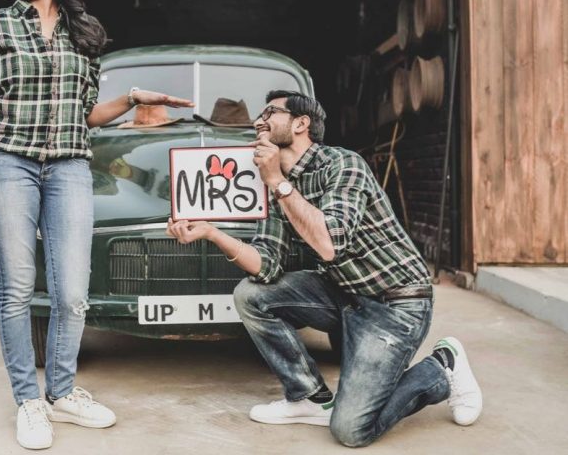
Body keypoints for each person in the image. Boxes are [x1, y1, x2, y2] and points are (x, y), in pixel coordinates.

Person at [0, 0, 192, 450]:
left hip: (68, 168)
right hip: (6, 163)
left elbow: (83, 114)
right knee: (19, 286)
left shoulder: (83, 32)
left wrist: (130, 98)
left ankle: (62, 392)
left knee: (74, 291)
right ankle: (28, 400)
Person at [167, 90, 482, 447]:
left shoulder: (342, 165)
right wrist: (212, 232)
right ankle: (308, 397)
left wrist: (277, 183)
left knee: (351, 430)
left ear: (301, 124)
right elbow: (266, 266)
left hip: (396, 304)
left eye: (270, 112)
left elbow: (329, 244)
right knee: (251, 295)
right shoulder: (275, 185)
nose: (258, 122)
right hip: (345, 293)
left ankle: (443, 367)